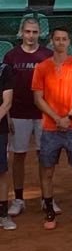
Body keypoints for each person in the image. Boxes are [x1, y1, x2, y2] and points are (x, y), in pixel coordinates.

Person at [30, 28, 72, 230]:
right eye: (57, 39)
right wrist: (57, 118)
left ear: (69, 41)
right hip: (50, 128)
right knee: (47, 170)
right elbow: (38, 98)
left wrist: (69, 117)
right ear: (51, 41)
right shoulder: (42, 67)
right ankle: (49, 210)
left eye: (64, 39)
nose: (61, 42)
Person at [3, 16, 52, 218]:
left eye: (35, 32)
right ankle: (19, 199)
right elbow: (4, 88)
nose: (31, 36)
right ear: (21, 33)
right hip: (18, 113)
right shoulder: (11, 56)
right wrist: (7, 115)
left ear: (40, 33)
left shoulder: (47, 55)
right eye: (27, 32)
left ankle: (47, 198)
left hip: (43, 114)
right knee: (19, 156)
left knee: (44, 156)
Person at [0, 60, 13, 229]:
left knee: (1, 171)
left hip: (0, 130)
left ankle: (3, 213)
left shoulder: (4, 70)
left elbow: (7, 102)